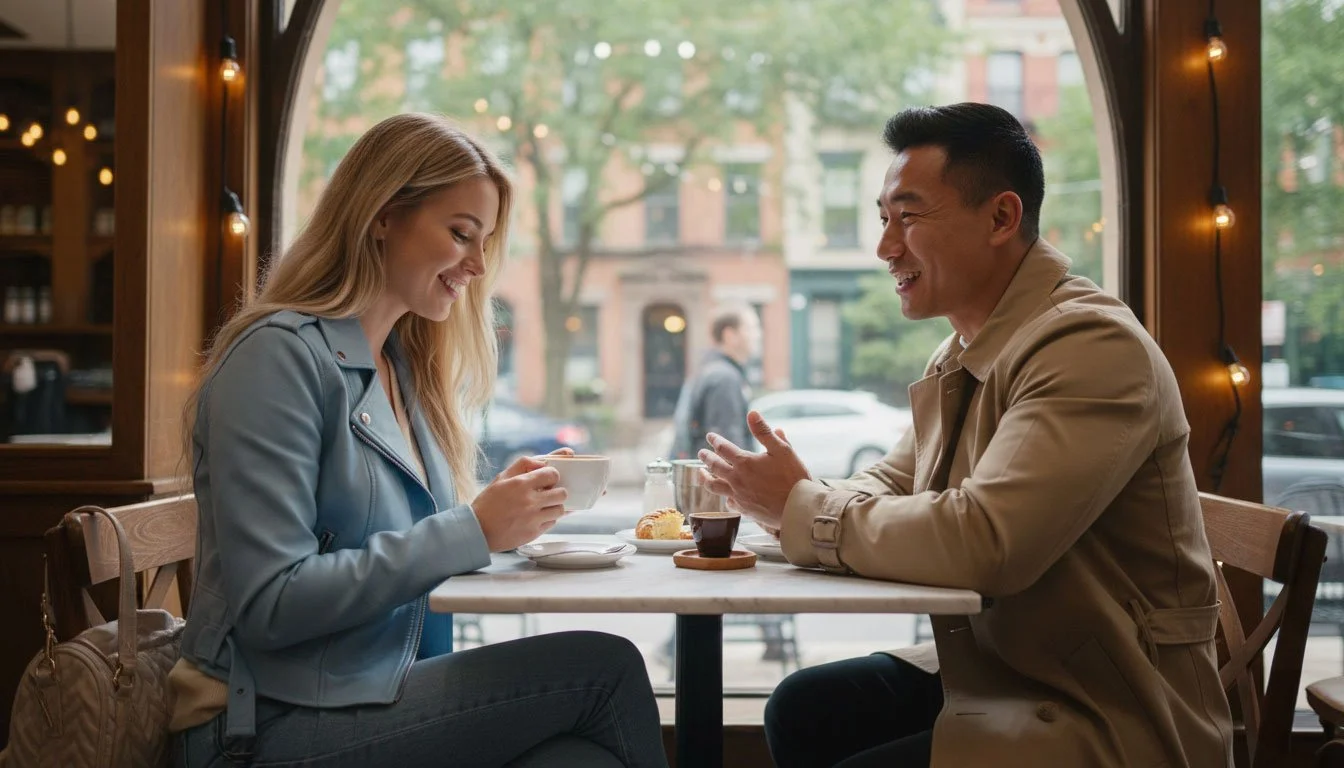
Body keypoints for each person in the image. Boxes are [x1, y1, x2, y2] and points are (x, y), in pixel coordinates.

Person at [699, 103, 1234, 768]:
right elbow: (895, 483)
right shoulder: (963, 350)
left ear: (1002, 218)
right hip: (1011, 668)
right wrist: (789, 500)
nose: (885, 246)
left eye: (910, 216)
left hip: (1111, 709)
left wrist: (804, 510)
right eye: (884, 217)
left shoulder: (1089, 345)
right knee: (804, 706)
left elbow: (989, 542)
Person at [169, 113, 667, 768]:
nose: (479, 264)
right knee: (604, 667)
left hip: (366, 695)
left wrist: (502, 515)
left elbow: (406, 548)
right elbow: (272, 603)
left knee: (580, 758)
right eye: (461, 234)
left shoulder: (402, 368)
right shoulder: (277, 359)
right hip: (263, 724)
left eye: (485, 241)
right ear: (381, 215)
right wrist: (471, 529)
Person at [669, 304, 760, 461]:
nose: (758, 335)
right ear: (730, 335)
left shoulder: (710, 370)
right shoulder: (724, 379)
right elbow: (729, 448)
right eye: (751, 328)